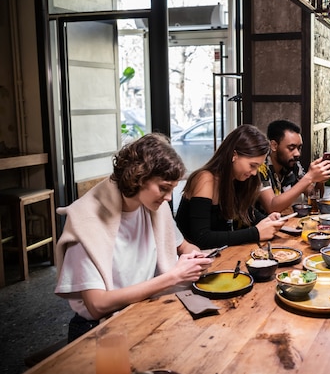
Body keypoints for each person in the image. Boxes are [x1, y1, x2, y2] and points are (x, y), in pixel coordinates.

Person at [55, 133, 213, 342]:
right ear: (138, 176)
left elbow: (183, 246)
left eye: (172, 189)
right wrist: (173, 276)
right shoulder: (87, 221)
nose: (167, 198)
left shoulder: (154, 208)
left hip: (142, 310)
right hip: (95, 329)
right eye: (164, 188)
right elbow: (97, 306)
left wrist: (196, 258)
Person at [175, 124, 286, 249]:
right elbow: (202, 238)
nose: (255, 172)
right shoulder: (205, 179)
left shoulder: (236, 178)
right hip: (193, 259)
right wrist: (255, 233)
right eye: (252, 165)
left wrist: (267, 220)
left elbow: (246, 211)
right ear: (234, 155)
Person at [257, 119, 330, 214]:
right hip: (259, 226)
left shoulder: (293, 165)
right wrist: (309, 177)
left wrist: (319, 180)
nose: (297, 153)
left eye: (299, 148)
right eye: (291, 148)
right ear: (274, 146)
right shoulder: (260, 167)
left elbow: (312, 195)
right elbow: (272, 207)